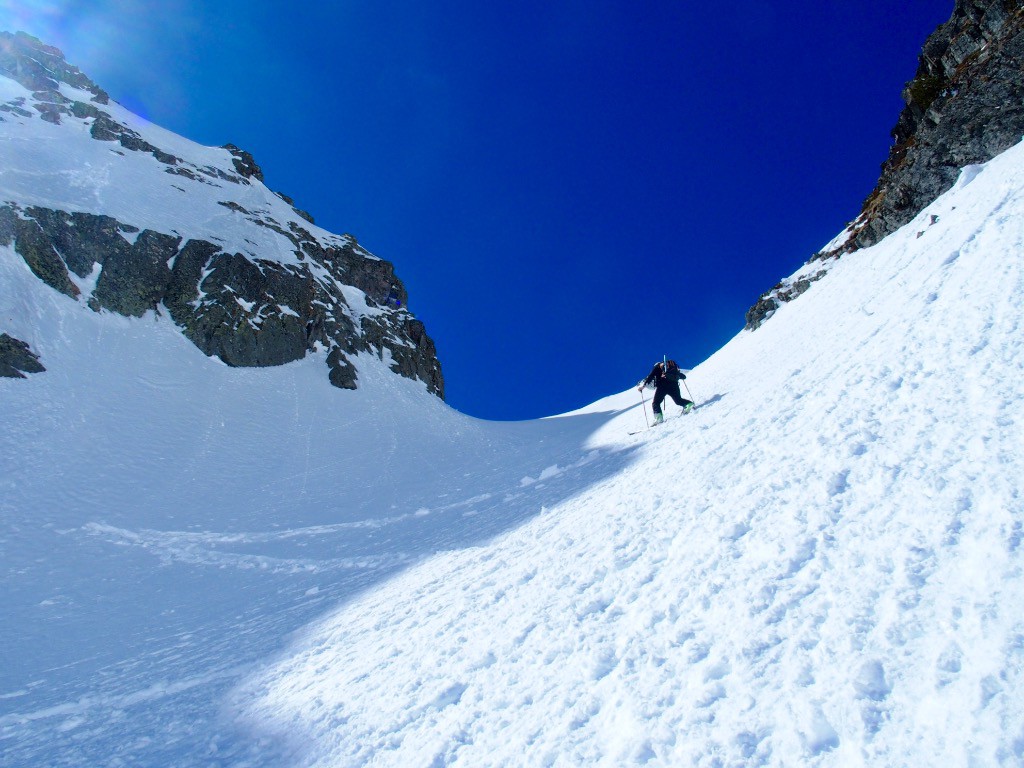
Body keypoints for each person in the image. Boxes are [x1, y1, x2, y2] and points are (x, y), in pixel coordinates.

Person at [639, 360, 693, 424]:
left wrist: (643, 386)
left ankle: (659, 418)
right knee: (678, 400)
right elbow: (683, 376)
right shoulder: (671, 369)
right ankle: (689, 404)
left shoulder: (657, 367)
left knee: (656, 403)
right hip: (674, 385)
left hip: (662, 386)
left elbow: (651, 376)